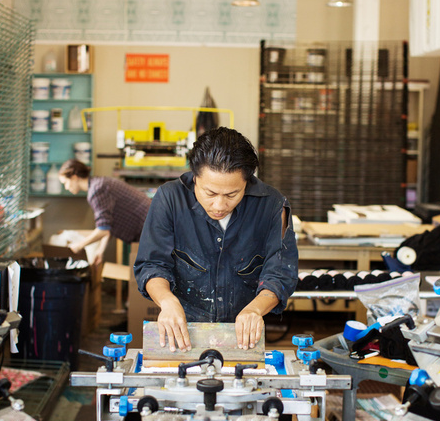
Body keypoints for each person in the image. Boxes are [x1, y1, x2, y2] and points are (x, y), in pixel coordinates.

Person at [133, 127, 299, 351]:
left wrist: (255, 310)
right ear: (194, 179)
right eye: (210, 193)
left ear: (247, 182)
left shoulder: (272, 206)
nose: (220, 206)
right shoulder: (170, 199)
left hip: (243, 338)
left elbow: (280, 273)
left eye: (232, 195)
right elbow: (152, 264)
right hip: (181, 332)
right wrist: (167, 301)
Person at [59, 159, 151, 265]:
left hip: (150, 229)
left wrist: (79, 246)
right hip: (149, 228)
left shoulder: (97, 190)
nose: (66, 187)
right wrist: (100, 250)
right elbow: (107, 224)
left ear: (74, 177)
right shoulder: (98, 183)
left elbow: (103, 230)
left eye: (65, 183)